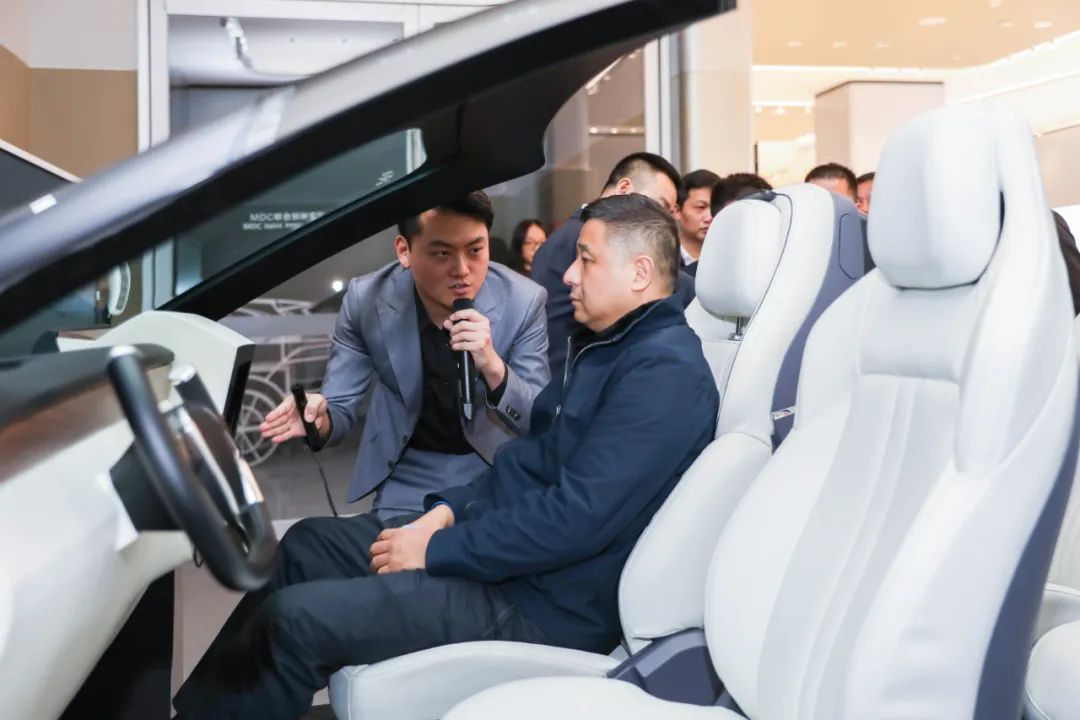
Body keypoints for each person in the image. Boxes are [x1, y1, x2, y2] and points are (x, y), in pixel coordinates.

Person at [172, 193, 720, 720]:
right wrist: (446, 513)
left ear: (640, 273)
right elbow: (523, 463)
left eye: (586, 259)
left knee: (293, 621)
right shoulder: (605, 348)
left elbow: (574, 520)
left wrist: (435, 550)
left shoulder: (662, 373)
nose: (569, 275)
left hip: (541, 601)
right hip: (508, 554)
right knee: (305, 546)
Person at [259, 191, 550, 520]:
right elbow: (338, 407)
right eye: (442, 253)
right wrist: (318, 419)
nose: (462, 270)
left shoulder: (524, 302)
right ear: (404, 251)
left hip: (494, 468)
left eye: (475, 250)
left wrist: (494, 368)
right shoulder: (367, 300)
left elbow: (539, 420)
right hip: (410, 473)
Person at [530, 151, 694, 377]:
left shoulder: (567, 236)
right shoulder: (590, 238)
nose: (664, 220)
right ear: (624, 188)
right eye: (660, 206)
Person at [673, 169, 720, 277]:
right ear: (677, 211)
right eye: (701, 207)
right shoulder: (663, 258)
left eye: (715, 208)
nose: (709, 217)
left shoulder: (730, 258)